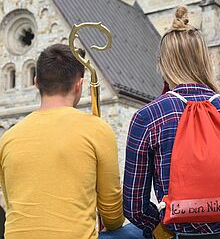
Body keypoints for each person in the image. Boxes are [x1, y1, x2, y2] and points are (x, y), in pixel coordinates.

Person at [123, 6, 220, 239]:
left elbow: (134, 206)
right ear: (206, 61)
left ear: (163, 65)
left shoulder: (148, 117)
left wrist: (165, 223)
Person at [0, 44, 142, 239]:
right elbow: (112, 214)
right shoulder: (96, 129)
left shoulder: (8, 138)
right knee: (141, 232)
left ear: (36, 82)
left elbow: (11, 203)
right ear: (79, 84)